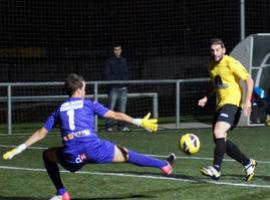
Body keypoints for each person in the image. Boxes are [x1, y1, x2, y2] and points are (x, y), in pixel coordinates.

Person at [3, 73, 176, 200]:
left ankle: (62, 193)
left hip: (72, 156)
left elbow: (42, 132)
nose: (85, 90)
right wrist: (138, 122)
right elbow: (116, 115)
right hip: (94, 149)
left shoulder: (59, 109)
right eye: (84, 88)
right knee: (127, 154)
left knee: (47, 155)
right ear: (78, 90)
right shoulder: (88, 104)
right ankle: (164, 166)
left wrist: (20, 148)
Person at [197, 39, 256, 181]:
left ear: (224, 49)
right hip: (221, 106)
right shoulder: (211, 65)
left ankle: (216, 169)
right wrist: (206, 97)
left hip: (233, 104)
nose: (215, 53)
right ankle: (248, 163)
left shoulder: (231, 62)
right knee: (220, 140)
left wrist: (247, 100)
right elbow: (214, 84)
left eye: (218, 50)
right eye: (212, 50)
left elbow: (249, 80)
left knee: (219, 132)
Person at [104, 45, 129, 132]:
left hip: (123, 88)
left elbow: (126, 73)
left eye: (119, 49)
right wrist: (112, 86)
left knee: (122, 109)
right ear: (113, 51)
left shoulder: (123, 60)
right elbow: (107, 74)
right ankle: (108, 126)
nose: (117, 51)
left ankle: (121, 126)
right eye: (115, 50)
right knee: (111, 108)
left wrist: (125, 84)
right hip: (113, 89)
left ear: (121, 50)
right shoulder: (109, 61)